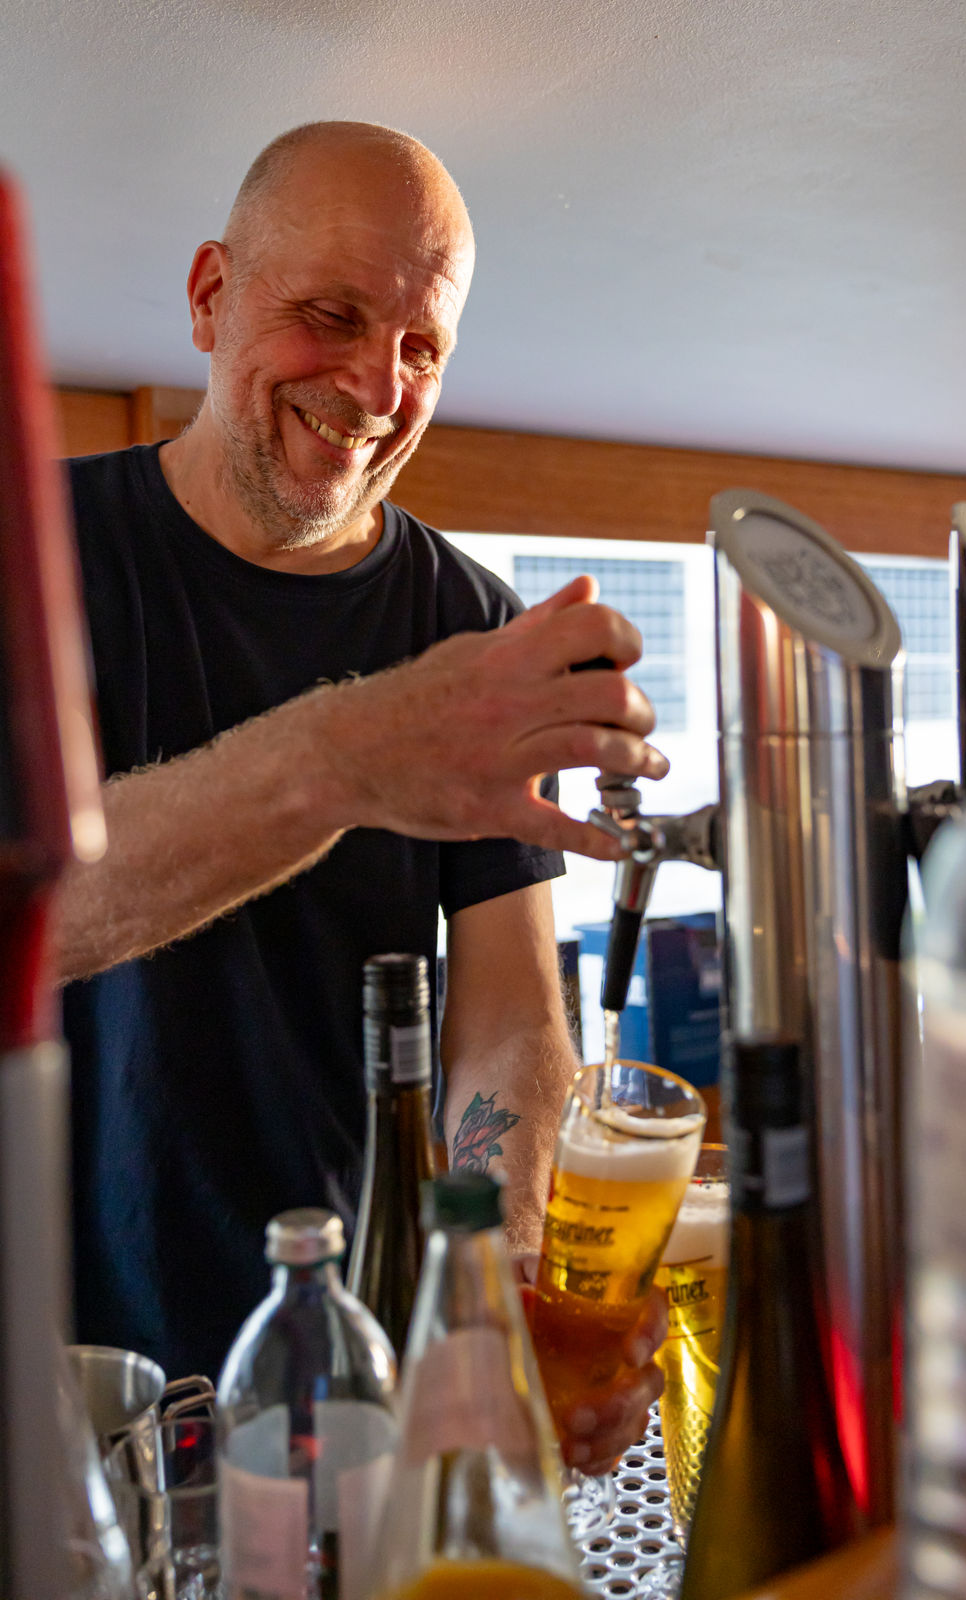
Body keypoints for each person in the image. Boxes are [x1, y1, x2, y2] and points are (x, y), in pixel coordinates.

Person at [57, 120, 667, 1475]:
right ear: (212, 295)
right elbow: (27, 923)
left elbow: (509, 1021)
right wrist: (346, 755)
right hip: (63, 1383)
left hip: (351, 1379)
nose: (377, 387)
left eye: (423, 349)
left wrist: (489, 1276)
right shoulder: (30, 559)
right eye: (330, 316)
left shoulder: (466, 620)